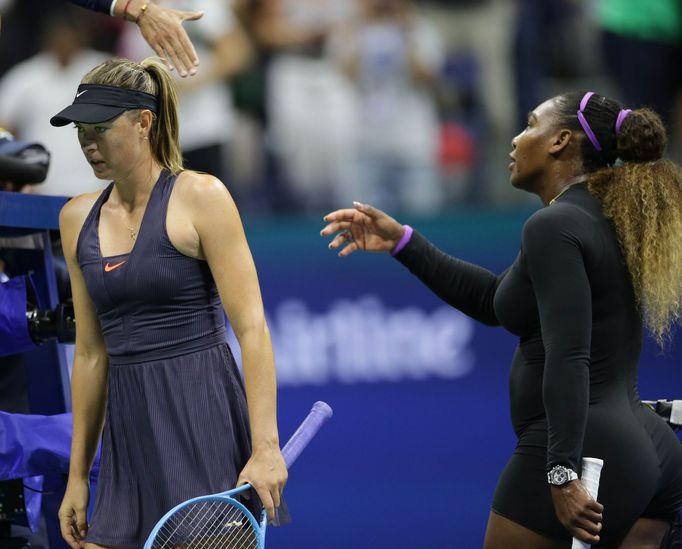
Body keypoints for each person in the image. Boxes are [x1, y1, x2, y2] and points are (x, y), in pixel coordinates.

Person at [321, 91, 682, 547]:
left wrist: (561, 471)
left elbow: (569, 355)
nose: (514, 140)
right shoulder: (603, 216)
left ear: (560, 142)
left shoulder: (554, 226)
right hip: (651, 453)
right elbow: (496, 301)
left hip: (584, 452)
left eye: (530, 124)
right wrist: (403, 242)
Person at [51, 57, 287, 549]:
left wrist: (265, 447)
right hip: (128, 438)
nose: (88, 143)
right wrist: (78, 476)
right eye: (80, 129)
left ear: (144, 122)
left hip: (203, 423)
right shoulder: (75, 219)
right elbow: (92, 354)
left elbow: (252, 328)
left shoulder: (203, 196)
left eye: (100, 127)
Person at [69, 0, 204, 77]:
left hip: (204, 117)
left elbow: (225, 53)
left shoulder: (196, 5)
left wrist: (184, 88)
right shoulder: (130, 22)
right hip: (152, 113)